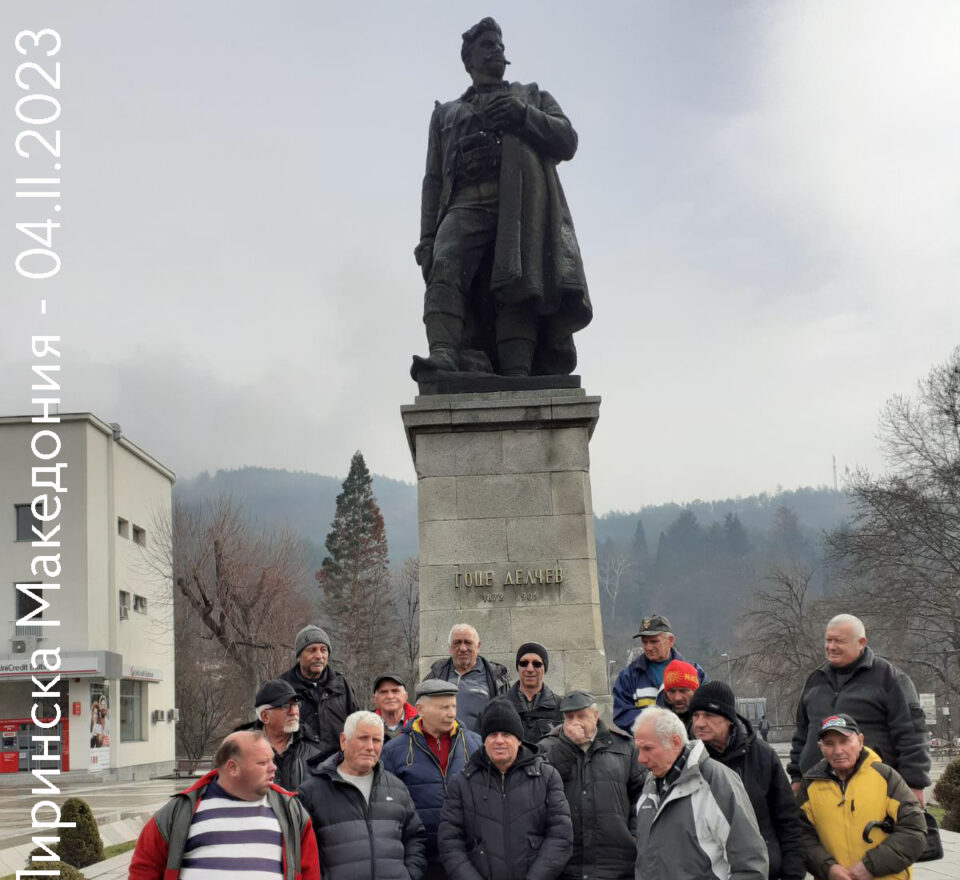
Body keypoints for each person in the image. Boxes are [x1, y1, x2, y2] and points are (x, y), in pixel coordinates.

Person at [411, 16, 591, 380]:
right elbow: (432, 180)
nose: (498, 51)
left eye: (501, 45)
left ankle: (518, 372)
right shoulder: (445, 113)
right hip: (465, 201)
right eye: (489, 45)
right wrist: (427, 237)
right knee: (445, 264)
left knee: (518, 281)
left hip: (522, 204)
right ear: (469, 59)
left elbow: (567, 140)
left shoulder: (530, 96)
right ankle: (444, 354)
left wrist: (522, 115)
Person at [129, 730, 321, 880]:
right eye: (263, 762)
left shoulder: (292, 812)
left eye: (272, 760)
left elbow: (309, 872)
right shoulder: (179, 812)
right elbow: (144, 869)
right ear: (233, 768)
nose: (273, 767)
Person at [788, 614, 930, 805]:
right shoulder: (815, 680)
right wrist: (797, 777)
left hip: (874, 789)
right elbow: (802, 735)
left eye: (839, 641)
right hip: (817, 789)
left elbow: (912, 735)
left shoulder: (890, 679)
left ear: (861, 642)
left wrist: (914, 783)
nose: (831, 646)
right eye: (828, 640)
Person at [438, 700, 572, 880]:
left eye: (506, 734)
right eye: (492, 734)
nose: (499, 740)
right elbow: (450, 843)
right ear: (483, 741)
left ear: (518, 740)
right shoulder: (461, 783)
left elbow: (560, 836)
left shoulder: (546, 777)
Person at [633, 707, 768, 880]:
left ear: (675, 742)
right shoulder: (649, 788)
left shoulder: (717, 783)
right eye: (638, 749)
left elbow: (751, 866)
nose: (640, 759)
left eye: (648, 748)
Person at [689, 681, 805, 880]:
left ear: (728, 720)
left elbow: (788, 822)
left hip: (763, 872)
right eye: (696, 715)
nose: (699, 723)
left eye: (708, 715)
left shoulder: (763, 756)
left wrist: (793, 874)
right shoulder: (687, 761)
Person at [298, 710, 427, 880]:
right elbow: (302, 851)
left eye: (376, 740)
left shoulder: (397, 788)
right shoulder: (311, 792)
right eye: (363, 738)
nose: (370, 747)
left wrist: (409, 875)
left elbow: (415, 839)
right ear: (343, 741)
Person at [797, 714, 926, 880]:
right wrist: (828, 868)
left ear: (860, 741)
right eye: (829, 744)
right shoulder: (810, 784)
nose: (838, 751)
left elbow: (914, 831)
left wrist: (870, 865)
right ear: (821, 747)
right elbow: (801, 835)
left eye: (844, 741)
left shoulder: (886, 777)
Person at [382, 679, 483, 880]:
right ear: (420, 709)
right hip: (420, 859)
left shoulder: (475, 744)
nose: (452, 713)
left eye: (454, 706)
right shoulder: (393, 751)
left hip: (468, 857)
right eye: (443, 707)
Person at [538, 690, 645, 880]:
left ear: (595, 716)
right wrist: (567, 746)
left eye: (581, 715)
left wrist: (635, 833)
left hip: (615, 862)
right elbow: (538, 788)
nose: (576, 722)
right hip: (566, 864)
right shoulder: (548, 746)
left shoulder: (624, 745)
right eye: (570, 717)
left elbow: (642, 793)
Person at [612, 614, 706, 733]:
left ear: (670, 641)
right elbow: (622, 714)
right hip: (648, 746)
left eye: (654, 641)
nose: (648, 647)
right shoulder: (628, 676)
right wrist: (656, 726)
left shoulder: (694, 672)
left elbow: (706, 708)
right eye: (644, 642)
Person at [278, 624, 359, 761]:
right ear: (299, 655)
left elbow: (356, 725)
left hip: (337, 767)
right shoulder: (283, 687)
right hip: (298, 769)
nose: (319, 656)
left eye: (323, 650)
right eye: (312, 650)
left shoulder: (341, 685)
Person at [235, 678, 322, 792]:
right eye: (285, 706)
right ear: (265, 716)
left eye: (295, 704)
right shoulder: (239, 750)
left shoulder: (315, 750)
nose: (294, 712)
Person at [427, 623, 510, 732]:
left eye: (468, 642)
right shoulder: (436, 675)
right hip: (443, 745)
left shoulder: (497, 678)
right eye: (457, 643)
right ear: (450, 648)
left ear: (478, 646)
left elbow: (507, 718)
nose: (462, 648)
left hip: (480, 746)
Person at [497, 642, 562, 743]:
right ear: (518, 668)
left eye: (537, 664)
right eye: (524, 663)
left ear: (544, 668)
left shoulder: (561, 707)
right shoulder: (498, 707)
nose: (530, 669)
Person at [655, 658, 701, 726]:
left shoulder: (707, 724)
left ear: (695, 692)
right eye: (672, 691)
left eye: (683, 691)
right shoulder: (655, 725)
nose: (677, 698)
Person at [373, 672, 418, 740]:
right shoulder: (365, 725)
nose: (390, 696)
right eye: (383, 692)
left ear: (405, 697)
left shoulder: (421, 723)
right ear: (375, 699)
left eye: (395, 691)